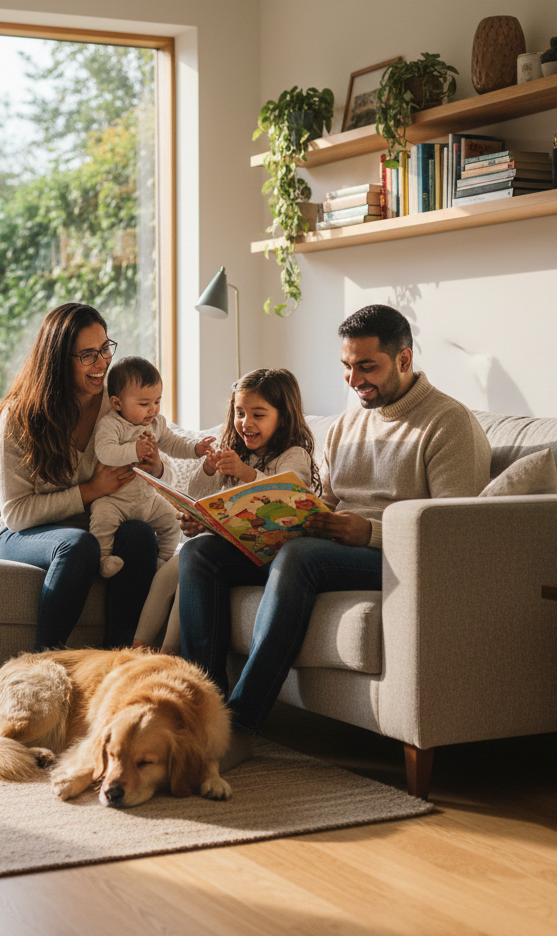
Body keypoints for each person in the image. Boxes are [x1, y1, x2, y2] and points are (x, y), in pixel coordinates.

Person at [179, 304, 492, 769]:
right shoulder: (346, 425)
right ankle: (202, 714)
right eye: (346, 366)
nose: (353, 379)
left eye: (367, 367)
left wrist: (369, 532)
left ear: (404, 360)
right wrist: (253, 517)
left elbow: (455, 533)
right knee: (202, 554)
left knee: (302, 557)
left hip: (391, 557)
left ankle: (241, 727)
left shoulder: (448, 423)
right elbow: (322, 501)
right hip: (325, 543)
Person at [0, 302, 168, 652]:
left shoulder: (116, 403)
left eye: (105, 349)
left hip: (101, 521)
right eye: (88, 355)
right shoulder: (21, 416)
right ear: (58, 359)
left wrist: (155, 466)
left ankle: (119, 662)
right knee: (78, 544)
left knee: (139, 534)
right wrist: (91, 490)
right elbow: (16, 514)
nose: (102, 363)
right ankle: (42, 663)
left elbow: (161, 444)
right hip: (28, 533)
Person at [132, 367, 320, 651]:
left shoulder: (293, 455)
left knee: (191, 570)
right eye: (240, 412)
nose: (246, 422)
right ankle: (137, 647)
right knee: (170, 570)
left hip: (271, 553)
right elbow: (195, 495)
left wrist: (246, 474)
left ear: (283, 418)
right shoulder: (234, 452)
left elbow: (288, 495)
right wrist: (207, 473)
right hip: (225, 545)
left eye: (258, 414)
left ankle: (168, 654)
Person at [91, 355, 215, 578]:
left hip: (147, 500)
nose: (153, 410)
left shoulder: (157, 424)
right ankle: (103, 560)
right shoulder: (111, 424)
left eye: (157, 401)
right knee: (101, 520)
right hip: (115, 500)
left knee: (171, 520)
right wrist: (134, 451)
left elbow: (174, 443)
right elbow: (105, 452)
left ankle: (163, 560)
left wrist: (196, 448)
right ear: (117, 403)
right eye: (144, 404)